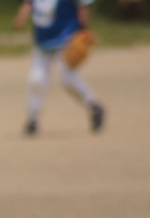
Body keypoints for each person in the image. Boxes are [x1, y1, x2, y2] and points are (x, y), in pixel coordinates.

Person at [13, 0, 106, 136]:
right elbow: (28, 4)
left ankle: (94, 106)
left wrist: (83, 28)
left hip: (66, 39)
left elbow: (82, 6)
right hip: (42, 42)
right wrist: (21, 18)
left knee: (67, 78)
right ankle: (32, 119)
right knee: (36, 79)